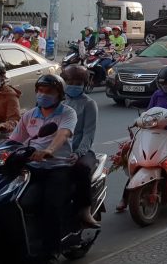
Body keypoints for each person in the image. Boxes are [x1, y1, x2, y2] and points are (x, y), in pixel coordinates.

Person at [8, 74, 78, 260]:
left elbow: (63, 134)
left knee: (50, 204)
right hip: (31, 166)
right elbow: (14, 140)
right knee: (11, 199)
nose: (43, 95)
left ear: (59, 94)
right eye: (40, 91)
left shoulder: (67, 113)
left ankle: (51, 249)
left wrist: (49, 150)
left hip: (57, 165)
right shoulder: (30, 115)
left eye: (49, 92)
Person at [116, 67, 167, 214]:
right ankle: (125, 197)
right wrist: (140, 119)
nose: (165, 87)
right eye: (163, 85)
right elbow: (149, 111)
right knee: (139, 162)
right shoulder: (157, 94)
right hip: (154, 132)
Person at [62, 65, 101, 227]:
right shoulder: (59, 101)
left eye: (78, 82)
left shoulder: (89, 104)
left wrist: (78, 153)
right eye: (70, 81)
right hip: (58, 150)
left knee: (82, 169)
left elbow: (88, 134)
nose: (74, 85)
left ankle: (85, 211)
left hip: (81, 151)